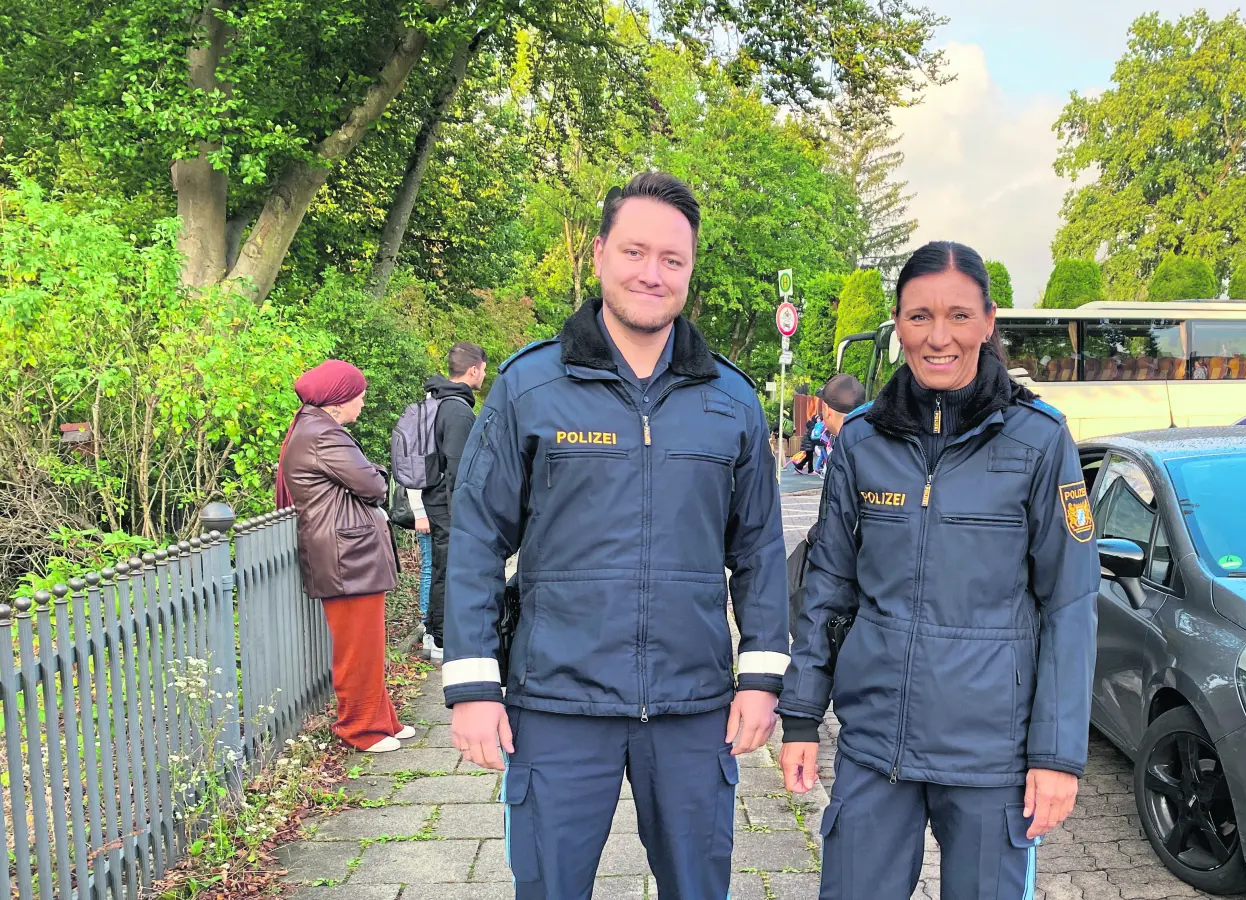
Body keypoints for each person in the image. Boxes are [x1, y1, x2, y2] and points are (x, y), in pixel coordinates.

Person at [443, 171, 788, 900]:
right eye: (635, 251)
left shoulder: (731, 402)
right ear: (600, 254)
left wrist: (760, 678)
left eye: (673, 260)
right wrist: (473, 683)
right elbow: (476, 533)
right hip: (556, 704)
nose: (652, 274)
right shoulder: (530, 388)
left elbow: (758, 549)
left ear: (690, 271)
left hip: (693, 708)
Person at [778, 241, 1100, 899]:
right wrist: (803, 714)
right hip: (875, 745)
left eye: (958, 316)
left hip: (991, 758)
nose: (939, 336)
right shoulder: (863, 440)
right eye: (919, 316)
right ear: (898, 324)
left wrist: (1056, 756)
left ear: (988, 322)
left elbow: (1070, 603)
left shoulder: (1040, 440)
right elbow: (829, 587)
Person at [276, 360, 414, 753]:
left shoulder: (314, 428)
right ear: (338, 401)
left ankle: (382, 720)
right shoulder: (323, 434)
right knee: (357, 649)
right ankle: (360, 729)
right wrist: (378, 472)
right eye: (360, 396)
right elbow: (371, 484)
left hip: (346, 554)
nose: (364, 403)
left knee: (367, 645)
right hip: (346, 556)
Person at [415, 342, 488, 663]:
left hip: (434, 497)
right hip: (447, 504)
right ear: (473, 370)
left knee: (440, 567)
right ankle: (440, 639)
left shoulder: (437, 401)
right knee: (447, 569)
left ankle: (434, 633)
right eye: (484, 369)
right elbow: (459, 468)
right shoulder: (457, 409)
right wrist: (466, 514)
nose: (485, 375)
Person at [786, 373, 867, 644]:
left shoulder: (847, 449)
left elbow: (839, 519)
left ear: (827, 411)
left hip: (843, 575)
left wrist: (815, 535)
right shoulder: (877, 443)